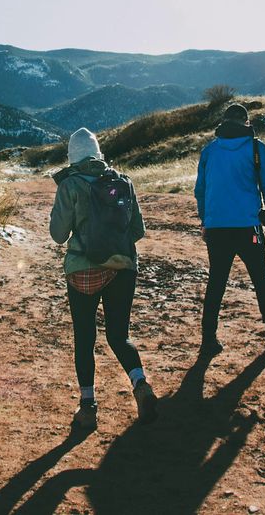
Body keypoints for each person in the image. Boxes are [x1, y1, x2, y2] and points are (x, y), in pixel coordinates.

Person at [49, 127, 158, 430]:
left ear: (71, 156)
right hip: (123, 266)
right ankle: (140, 384)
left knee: (85, 338)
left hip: (83, 270)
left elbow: (58, 235)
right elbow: (138, 230)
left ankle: (88, 407)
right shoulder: (122, 182)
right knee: (118, 335)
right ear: (98, 153)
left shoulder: (69, 185)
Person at [194, 102, 265, 355]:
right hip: (248, 227)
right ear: (246, 123)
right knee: (260, 278)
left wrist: (204, 221)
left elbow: (200, 190)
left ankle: (209, 339)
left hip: (216, 228)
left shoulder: (209, 151)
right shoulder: (256, 148)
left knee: (216, 281)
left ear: (224, 123)